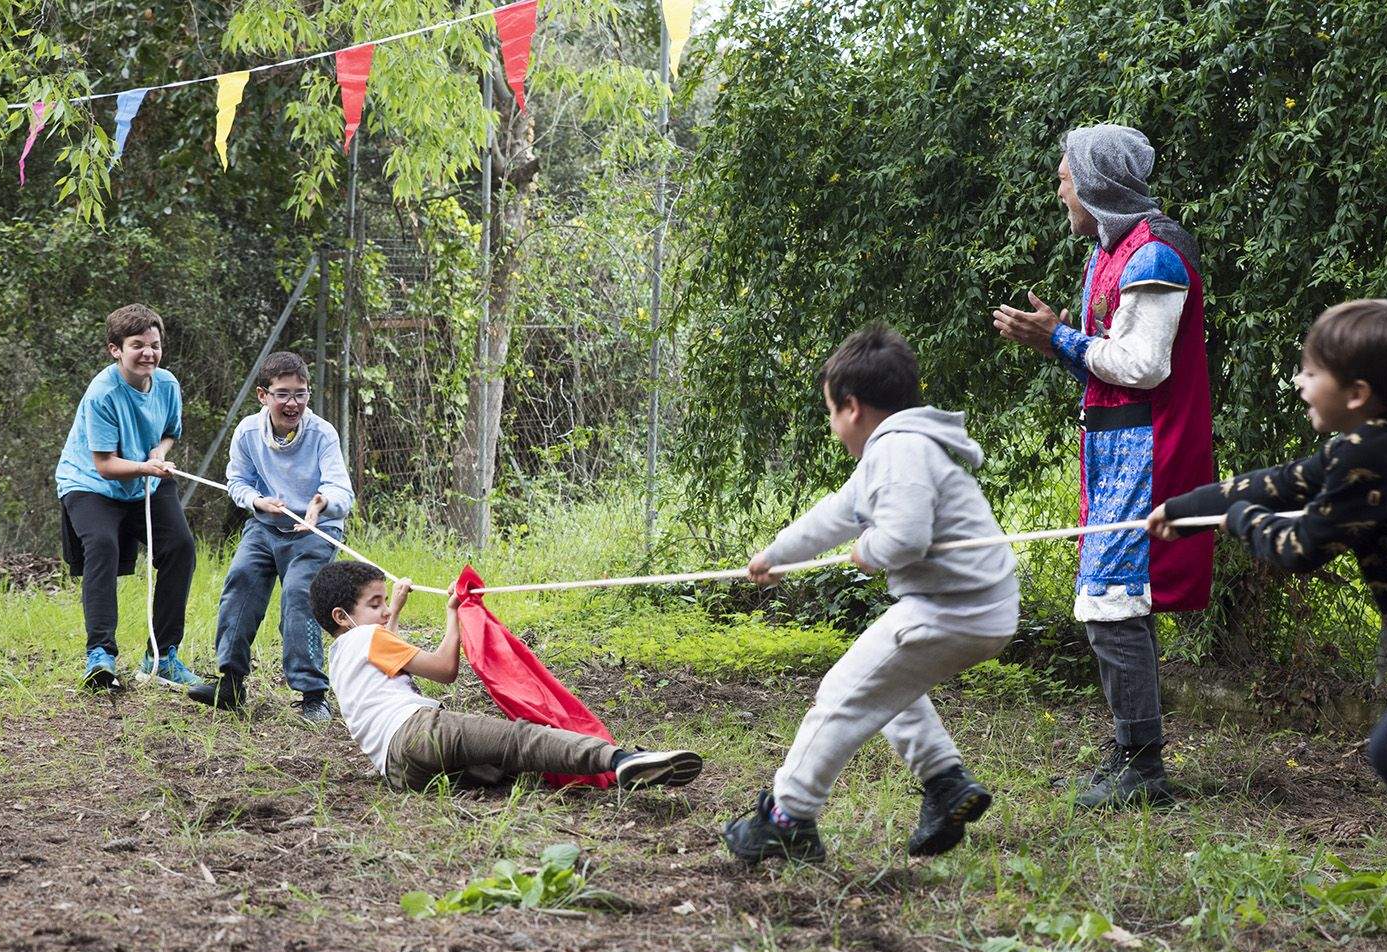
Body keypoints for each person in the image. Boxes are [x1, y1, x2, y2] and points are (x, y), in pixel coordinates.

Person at [1150, 299, 1387, 952]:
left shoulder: (1368, 455)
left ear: (1356, 393)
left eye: (1310, 371)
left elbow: (1299, 546)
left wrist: (1237, 520)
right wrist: (1187, 508)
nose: (1299, 382)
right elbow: (1286, 482)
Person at [722, 323, 1019, 865]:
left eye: (831, 412)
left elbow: (904, 539)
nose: (833, 426)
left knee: (841, 695)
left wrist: (869, 549)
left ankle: (788, 817)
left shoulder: (899, 451)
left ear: (852, 407)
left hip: (952, 610)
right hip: (977, 608)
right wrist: (777, 555)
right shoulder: (900, 448)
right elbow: (836, 514)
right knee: (886, 685)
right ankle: (945, 782)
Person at [992, 124, 1214, 808]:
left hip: (1148, 451)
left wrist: (1060, 337)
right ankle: (1131, 753)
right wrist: (1058, 343)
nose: (1060, 191)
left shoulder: (1154, 255)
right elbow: (1106, 364)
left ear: (1094, 186)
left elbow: (1142, 366)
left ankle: (1143, 768)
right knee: (1113, 603)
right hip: (1116, 448)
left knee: (1113, 603)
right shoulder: (1110, 253)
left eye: (1065, 179)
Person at [310, 560, 706, 792]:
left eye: (384, 602)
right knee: (521, 739)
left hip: (401, 771)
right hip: (420, 733)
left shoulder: (342, 655)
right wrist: (453, 613)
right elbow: (444, 670)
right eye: (374, 604)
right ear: (342, 616)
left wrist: (393, 609)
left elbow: (388, 652)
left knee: (505, 765)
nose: (383, 611)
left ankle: (612, 768)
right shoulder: (370, 638)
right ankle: (620, 759)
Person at [188, 352, 352, 722]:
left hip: (315, 529)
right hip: (265, 525)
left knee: (298, 593)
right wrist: (256, 501)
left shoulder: (322, 433)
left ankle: (313, 695)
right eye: (283, 394)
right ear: (263, 395)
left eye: (300, 393)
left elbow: (342, 490)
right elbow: (237, 481)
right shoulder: (248, 432)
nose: (293, 403)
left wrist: (321, 503)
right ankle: (230, 683)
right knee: (241, 579)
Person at [55, 303, 200, 691]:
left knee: (180, 548)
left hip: (145, 478)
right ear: (115, 350)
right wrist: (146, 467)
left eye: (155, 345)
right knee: (102, 545)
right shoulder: (102, 393)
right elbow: (104, 465)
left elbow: (170, 433)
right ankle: (100, 654)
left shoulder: (167, 385)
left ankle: (162, 657)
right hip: (91, 484)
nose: (148, 353)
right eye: (138, 345)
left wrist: (159, 453)